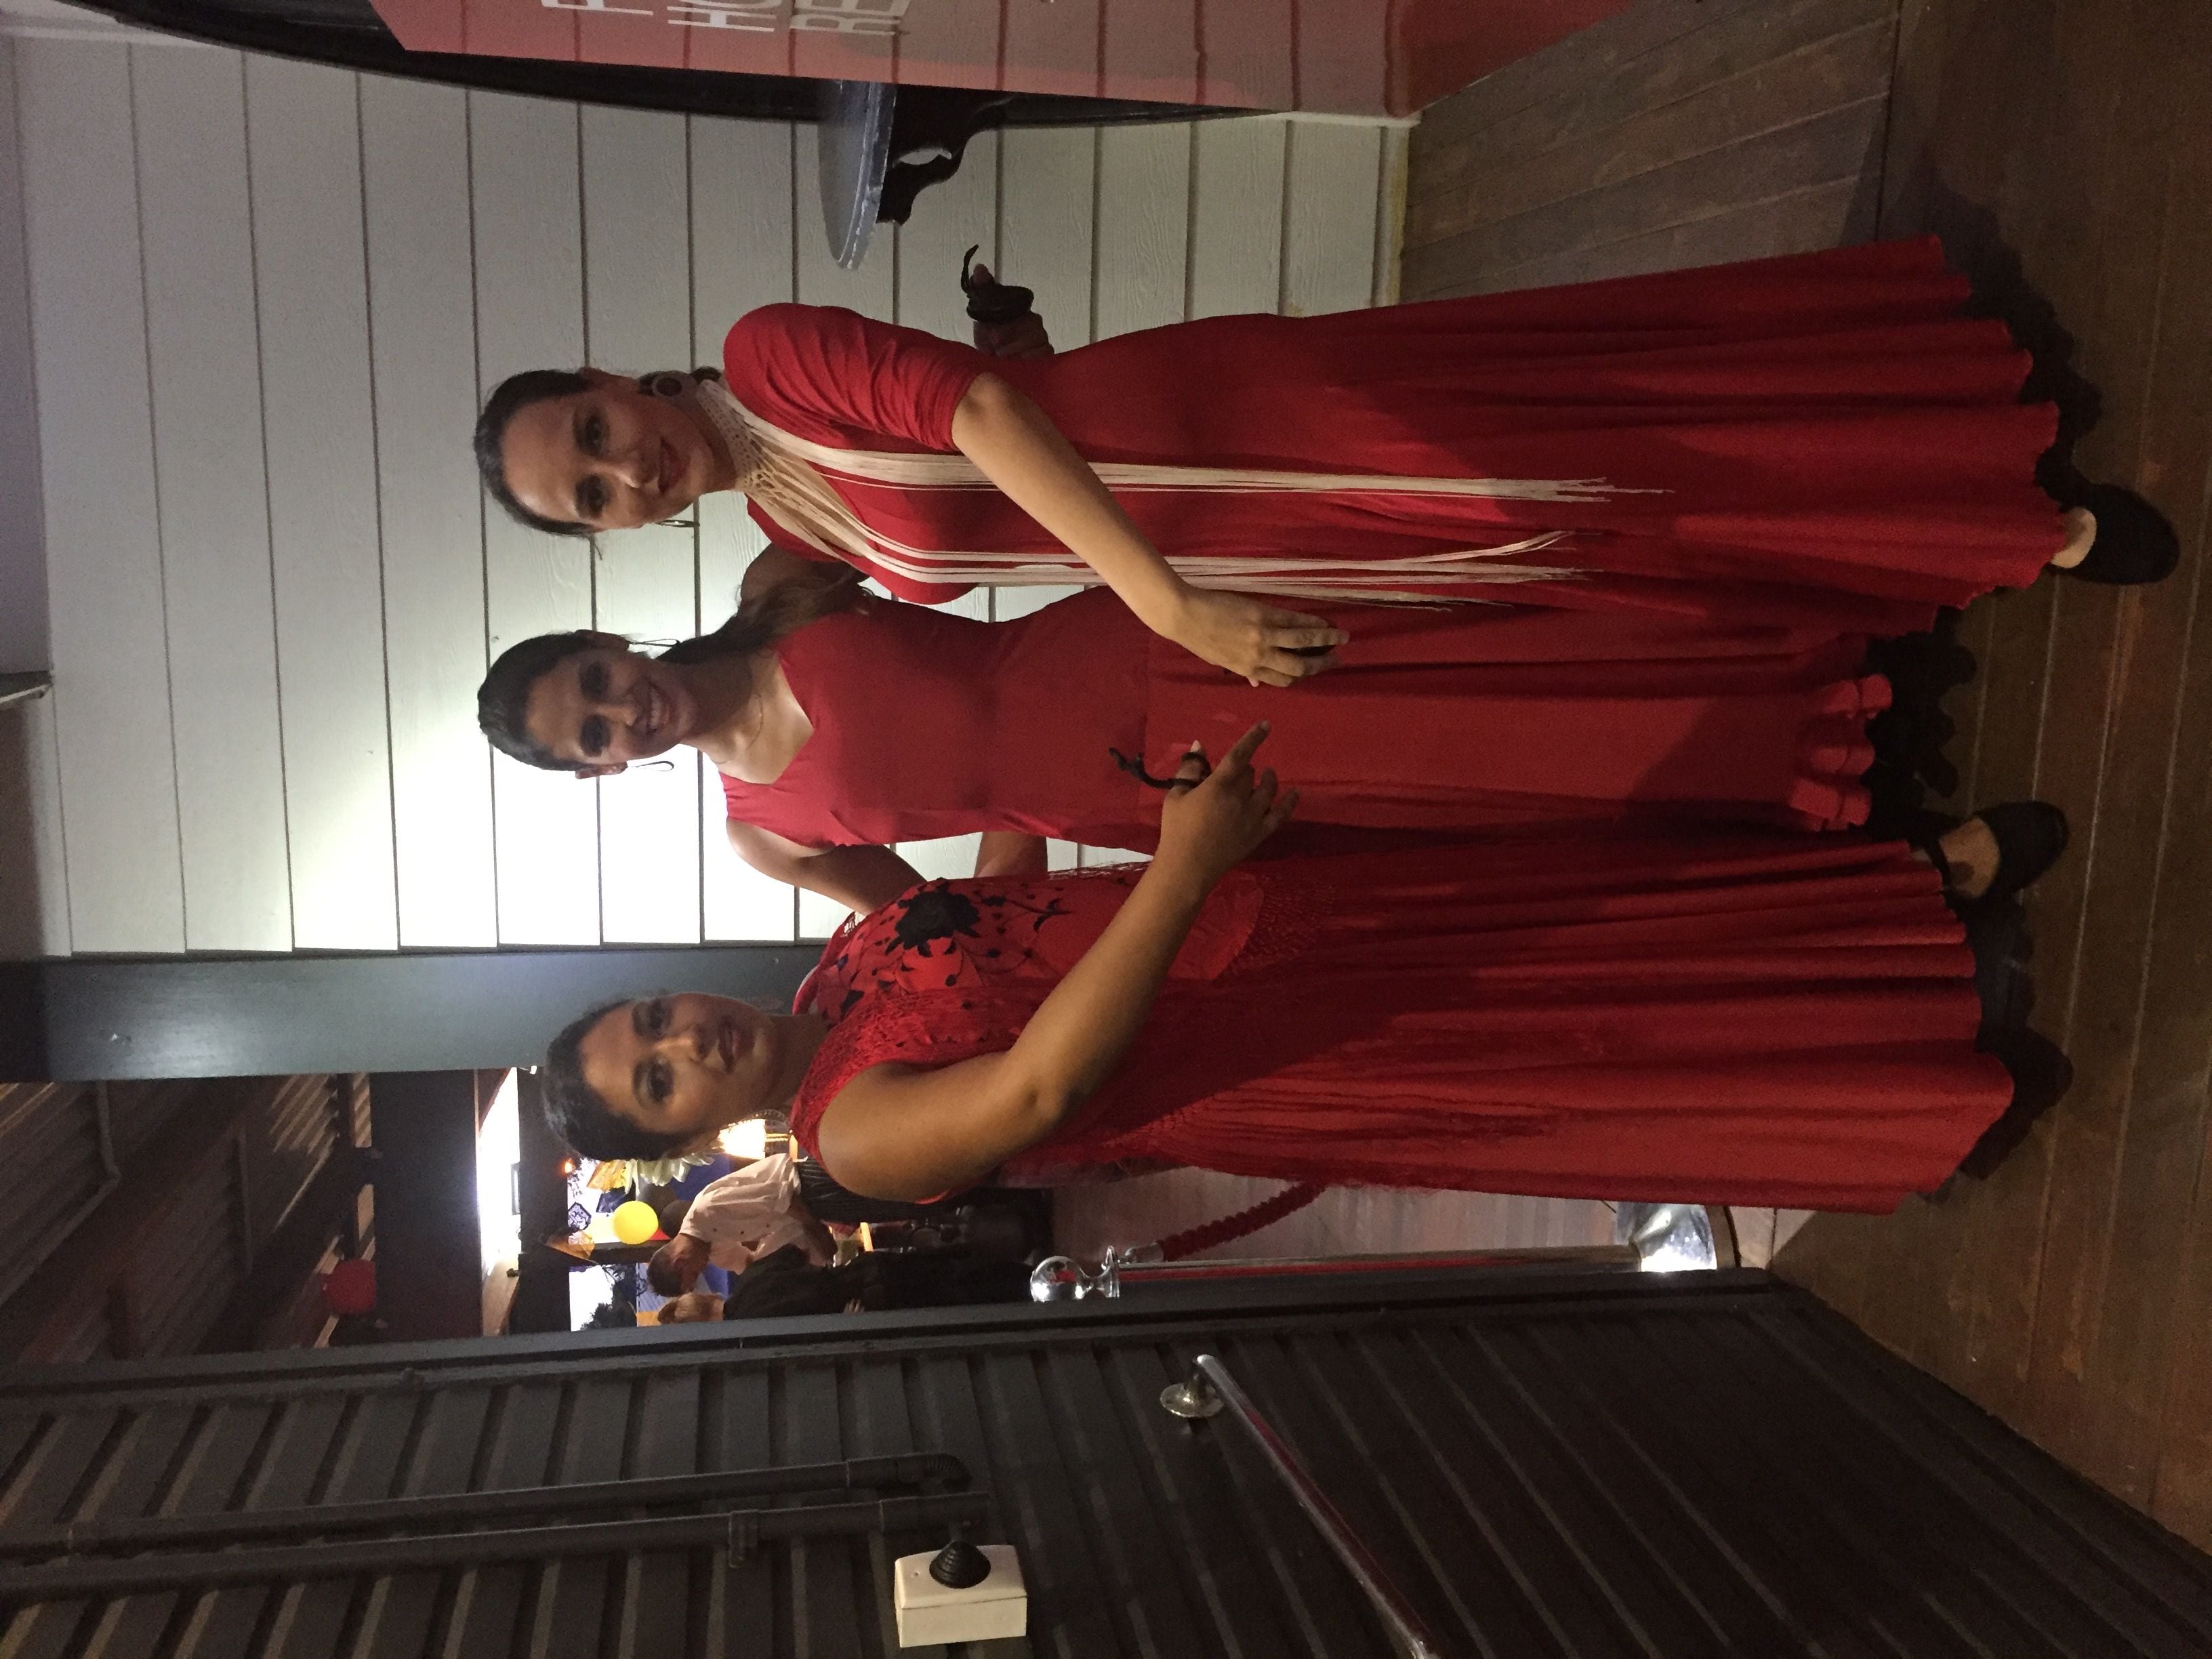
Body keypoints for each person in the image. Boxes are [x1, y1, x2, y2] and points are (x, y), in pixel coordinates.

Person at [474, 239, 2176, 688]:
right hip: (1234, 538)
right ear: (614, 536)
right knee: (1566, 548)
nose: (626, 471)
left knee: (1562, 467)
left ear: (618, 378)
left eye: (595, 434)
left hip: (1238, 435)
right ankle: (1912, 527)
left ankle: (1991, 501)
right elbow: (995, 437)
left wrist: (1171, 608)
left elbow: (980, 424)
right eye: (592, 497)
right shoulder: (787, 524)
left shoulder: (768, 354)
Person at [538, 723, 2070, 1215]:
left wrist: (1024, 769)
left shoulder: (835, 976)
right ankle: (1909, 1058)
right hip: (1269, 1037)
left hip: (1266, 914)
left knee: (1580, 915)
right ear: (690, 1135)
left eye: (654, 1019)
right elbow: (1041, 1084)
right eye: (658, 1079)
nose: (687, 1041)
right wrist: (1183, 865)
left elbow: (999, 897)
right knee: (1582, 1038)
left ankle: (1904, 898)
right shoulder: (848, 1135)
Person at [480, 572, 1902, 913]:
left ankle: (1791, 689)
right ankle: (1771, 779)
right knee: (1449, 774)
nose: (621, 710)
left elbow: (938, 489)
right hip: (1144, 792)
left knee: (1453, 676)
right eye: (592, 735)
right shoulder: (764, 837)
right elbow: (965, 925)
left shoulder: (778, 585)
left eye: (595, 681)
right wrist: (1044, 824)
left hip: (1136, 645)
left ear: (606, 637)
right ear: (601, 771)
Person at [651, 1244, 1033, 1321]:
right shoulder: (750, 1277)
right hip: (865, 1269)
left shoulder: (755, 1326)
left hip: (871, 1304)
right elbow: (795, 1254)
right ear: (709, 1297)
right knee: (956, 1265)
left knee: (965, 1299)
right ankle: (1031, 1269)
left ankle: (1039, 1293)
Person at [642, 1151, 834, 1296]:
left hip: (806, 1184)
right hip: (808, 1212)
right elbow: (751, 1265)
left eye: (694, 1273)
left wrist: (819, 1235)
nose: (702, 1270)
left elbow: (785, 1197)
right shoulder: (713, 1250)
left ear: (680, 1261)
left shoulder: (708, 1210)